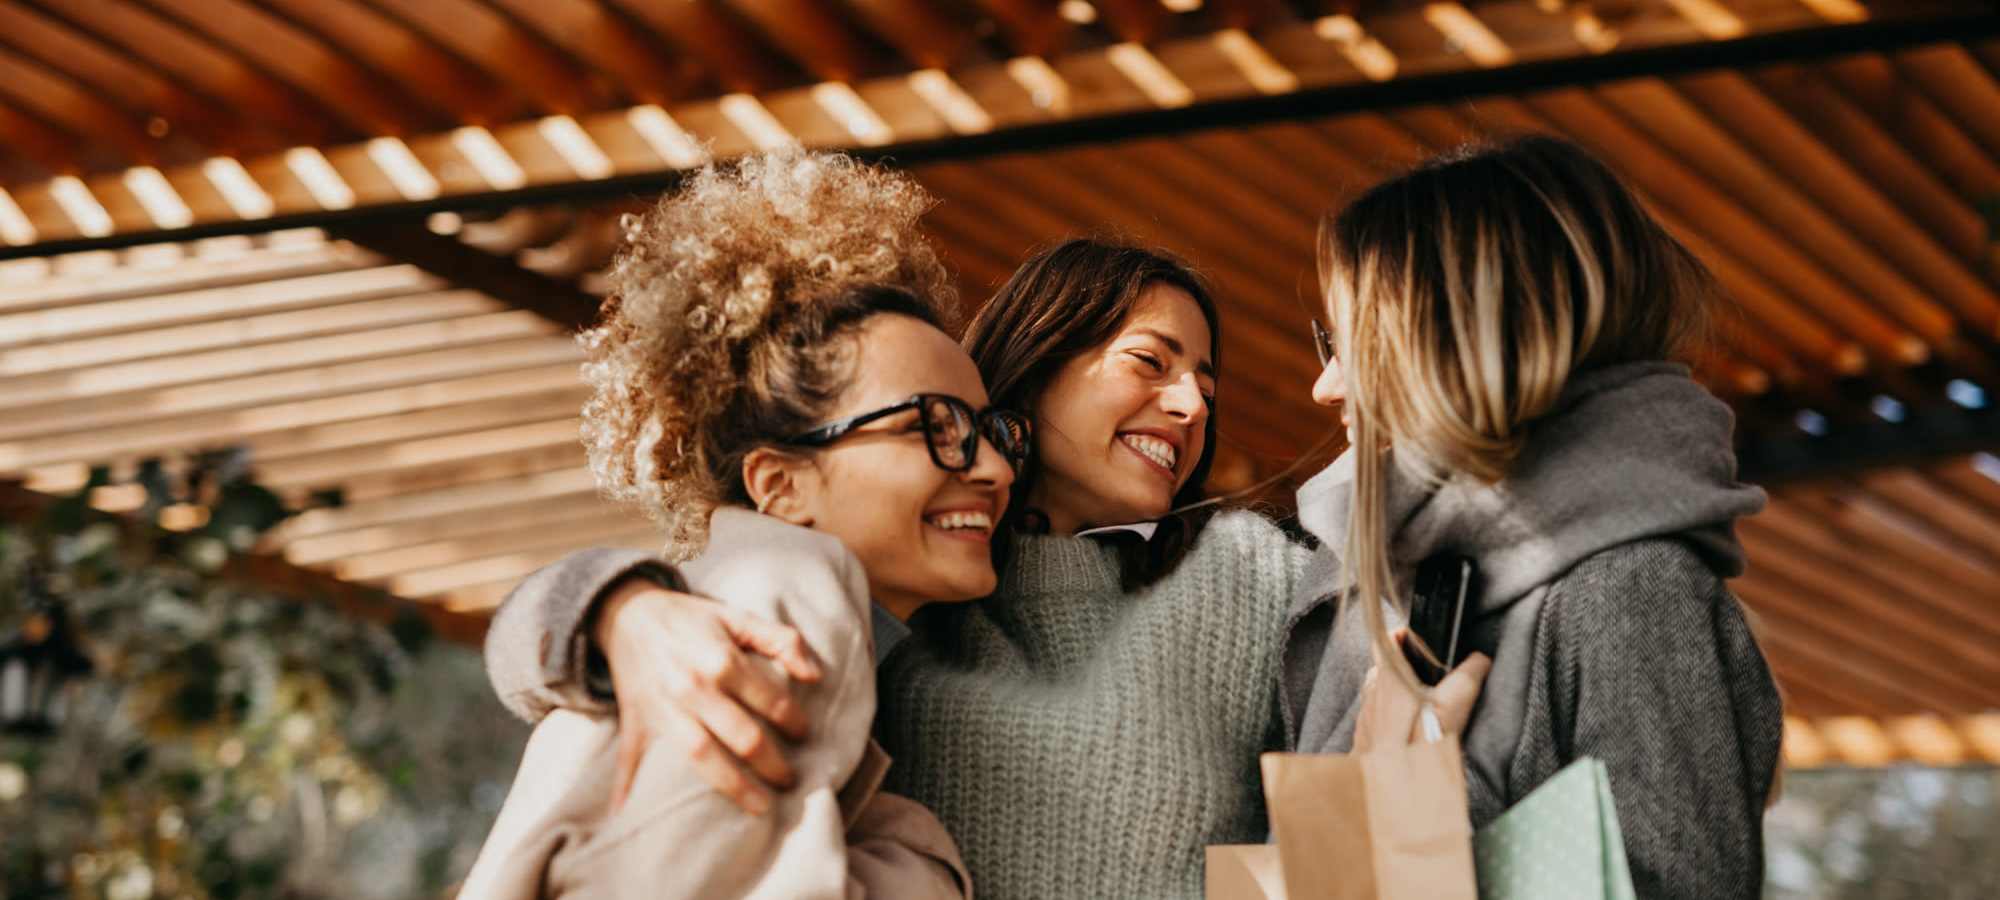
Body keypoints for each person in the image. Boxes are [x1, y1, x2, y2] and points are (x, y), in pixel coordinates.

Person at [461, 151, 1030, 898]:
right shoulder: (773, 606)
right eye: (935, 425)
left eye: (990, 432)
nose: (995, 469)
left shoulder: (772, 629)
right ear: (781, 485)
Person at [1286, 135, 1783, 899]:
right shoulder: (1384, 577)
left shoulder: (1633, 592)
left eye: (1353, 345)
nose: (1326, 387)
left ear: (1465, 341)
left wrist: (1406, 825)